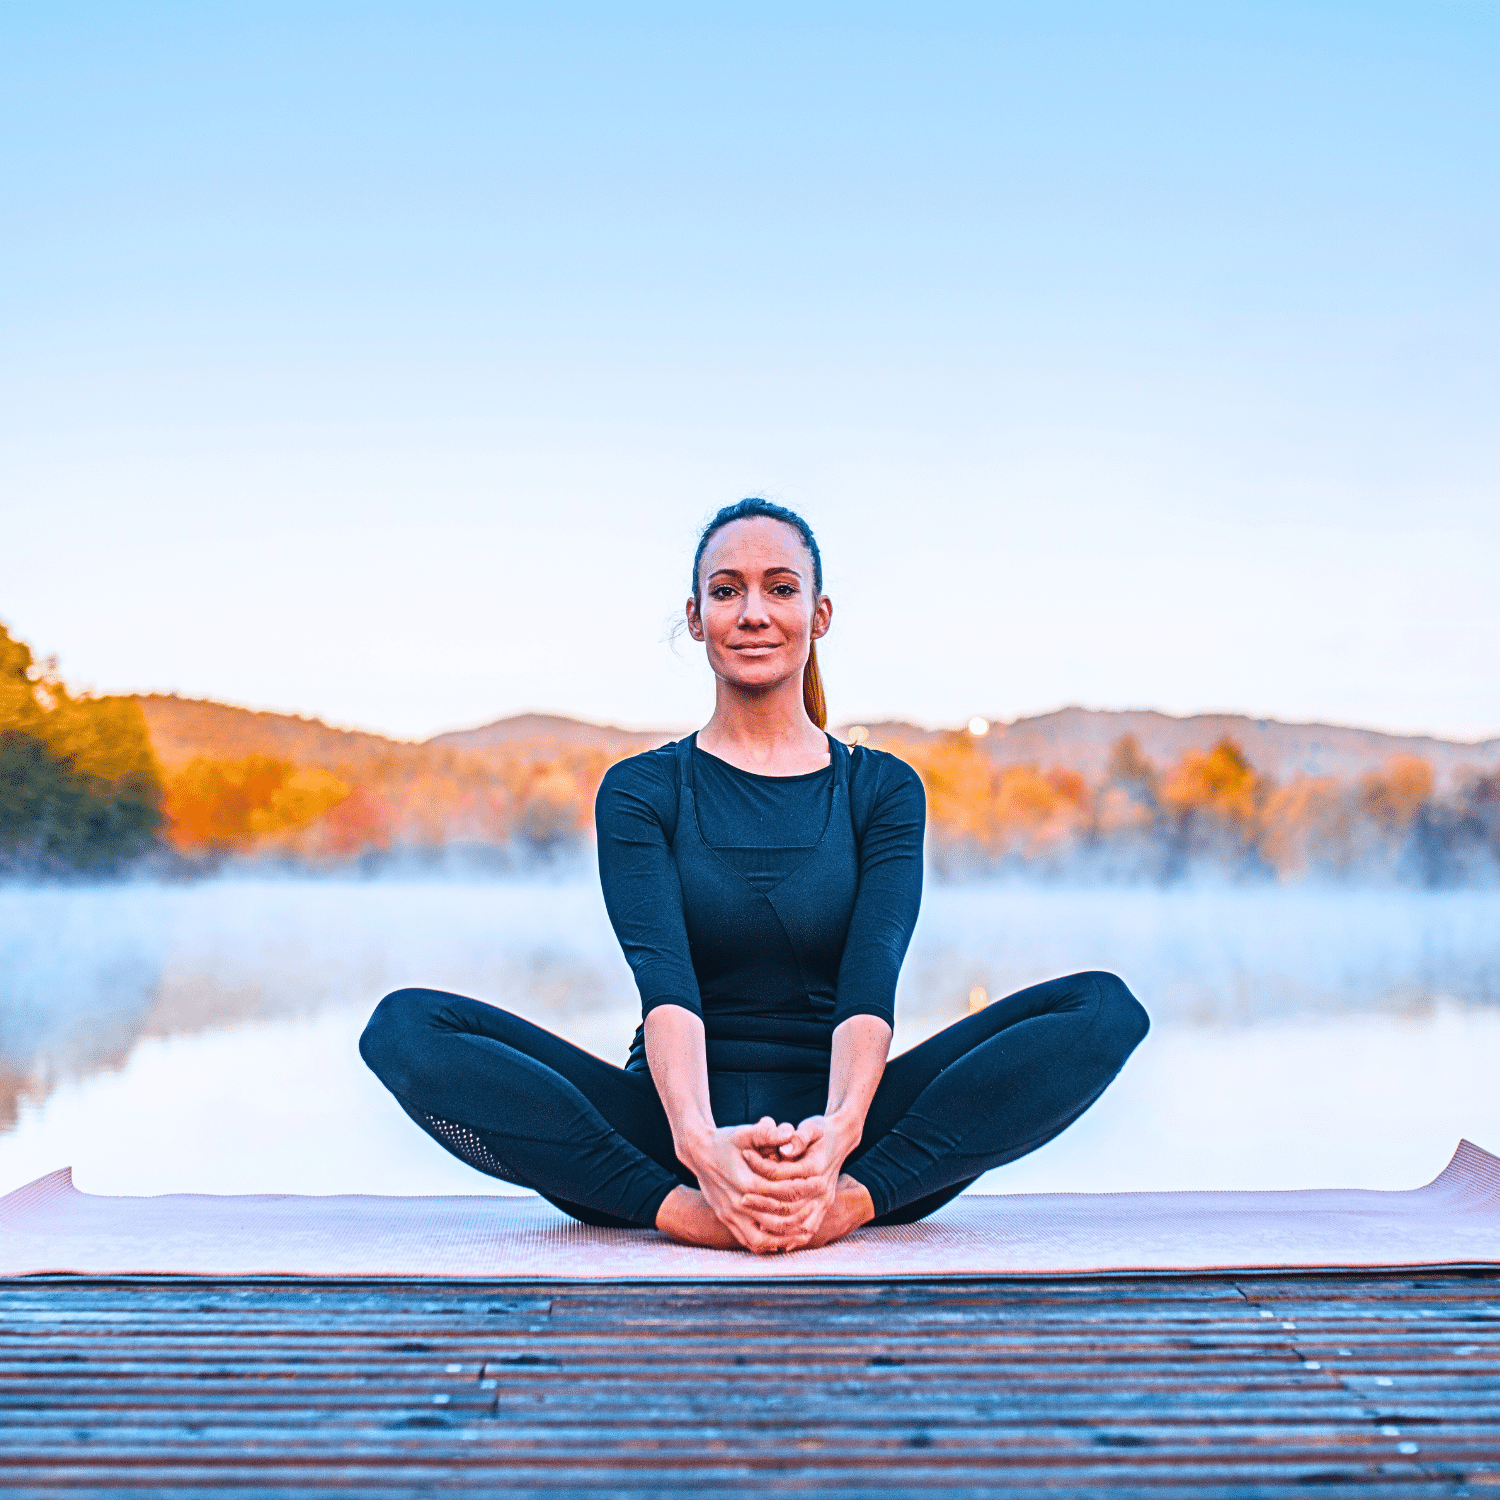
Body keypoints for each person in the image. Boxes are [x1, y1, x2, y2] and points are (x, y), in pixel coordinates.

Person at [360, 498, 1149, 1253]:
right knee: (405, 1029)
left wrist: (838, 1145)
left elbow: (870, 983)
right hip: (666, 1138)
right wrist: (701, 1154)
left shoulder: (881, 789)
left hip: (857, 1143)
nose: (753, 613)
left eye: (780, 589)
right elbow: (664, 986)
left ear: (820, 614)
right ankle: (685, 1217)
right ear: (697, 617)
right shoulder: (642, 791)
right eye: (727, 591)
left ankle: (841, 1212)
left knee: (1102, 1012)